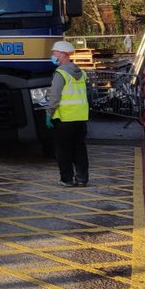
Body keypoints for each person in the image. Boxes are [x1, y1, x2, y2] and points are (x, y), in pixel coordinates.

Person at [46, 39, 89, 187]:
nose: (53, 55)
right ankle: (82, 178)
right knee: (80, 149)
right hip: (81, 118)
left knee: (63, 151)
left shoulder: (60, 74)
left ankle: (67, 179)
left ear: (63, 54)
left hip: (64, 119)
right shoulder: (81, 73)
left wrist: (48, 114)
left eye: (55, 52)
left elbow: (55, 97)